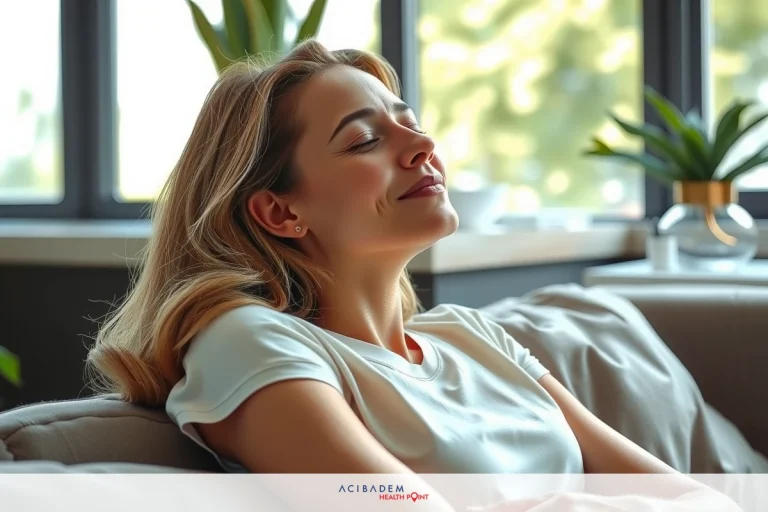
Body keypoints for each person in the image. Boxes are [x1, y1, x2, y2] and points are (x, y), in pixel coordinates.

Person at [87, 39, 686, 484]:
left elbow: (683, 497)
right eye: (365, 140)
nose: (424, 147)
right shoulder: (247, 343)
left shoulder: (473, 336)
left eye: (411, 124)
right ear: (279, 211)